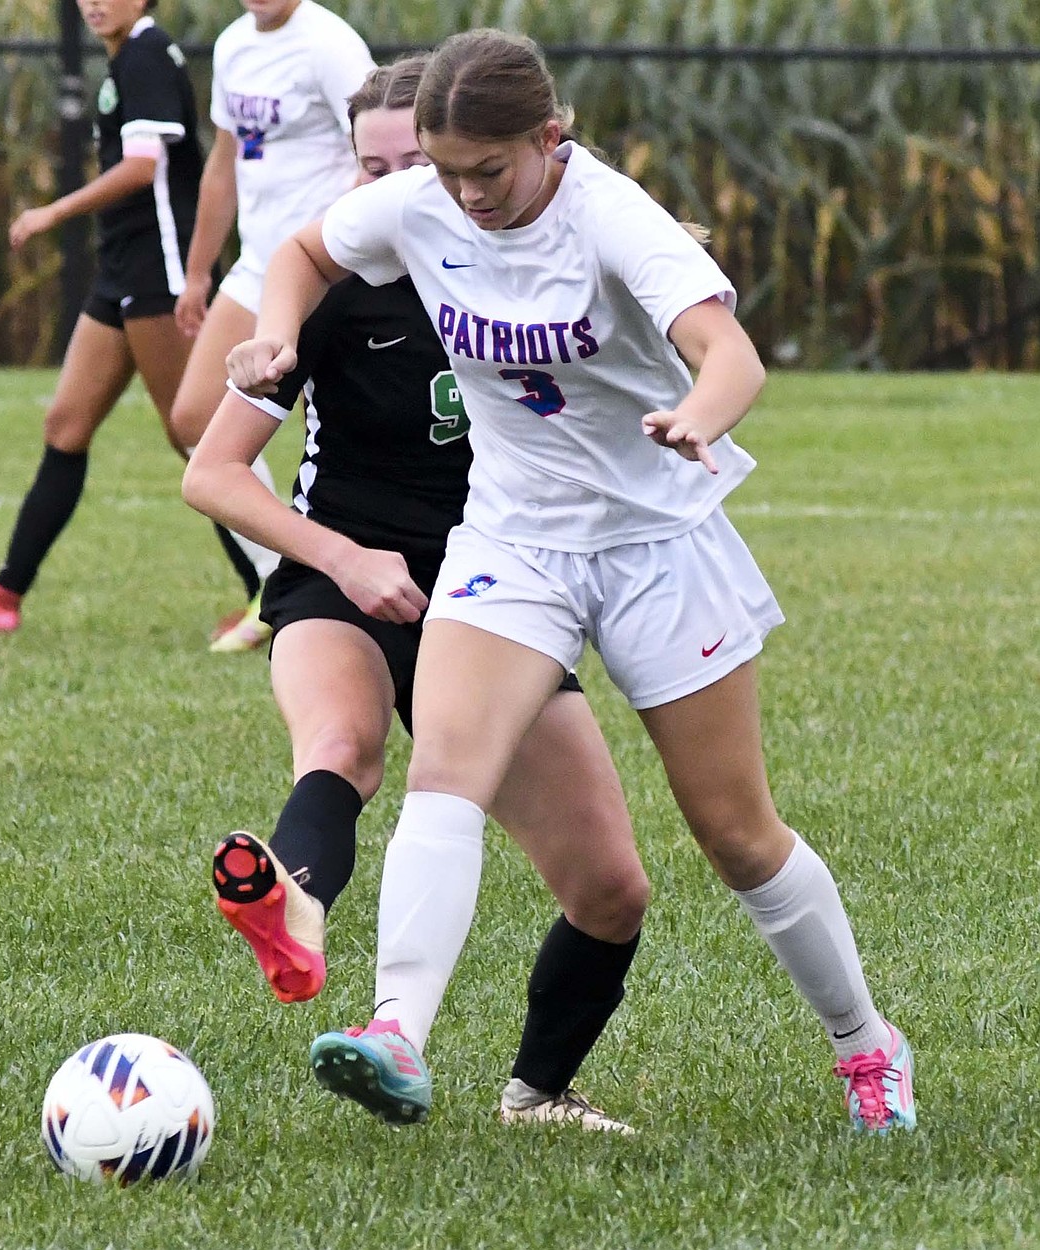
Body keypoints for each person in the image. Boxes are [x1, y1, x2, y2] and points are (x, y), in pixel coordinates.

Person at [227, 28, 917, 1136]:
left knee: (736, 834)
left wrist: (695, 415)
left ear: (550, 138)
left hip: (655, 542)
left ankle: (865, 1047)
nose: (462, 196)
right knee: (444, 770)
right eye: (443, 173)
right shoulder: (421, 204)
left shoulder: (610, 217)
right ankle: (393, 1029)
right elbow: (304, 253)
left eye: (486, 172)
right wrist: (270, 337)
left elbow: (727, 350)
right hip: (511, 537)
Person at [183, 56, 650, 1132]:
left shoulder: (523, 271)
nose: (395, 190)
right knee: (340, 746)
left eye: (417, 167)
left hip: (499, 599)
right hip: (340, 583)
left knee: (610, 887)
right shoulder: (325, 294)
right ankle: (291, 909)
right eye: (373, 167)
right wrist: (341, 558)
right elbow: (210, 474)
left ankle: (536, 1094)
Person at [0, 0, 250, 636]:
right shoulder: (124, 59)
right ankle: (5, 594)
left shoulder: (143, 54)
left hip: (158, 270)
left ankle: (275, 596)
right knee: (66, 423)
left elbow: (143, 168)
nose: (94, 2)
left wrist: (52, 213)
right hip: (121, 270)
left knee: (195, 435)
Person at [169, 0, 375, 652]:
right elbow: (225, 161)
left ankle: (347, 583)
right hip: (257, 264)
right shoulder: (233, 44)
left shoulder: (329, 43)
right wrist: (199, 270)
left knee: (348, 436)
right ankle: (280, 576)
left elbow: (377, 151)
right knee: (194, 419)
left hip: (324, 265)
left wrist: (340, 240)